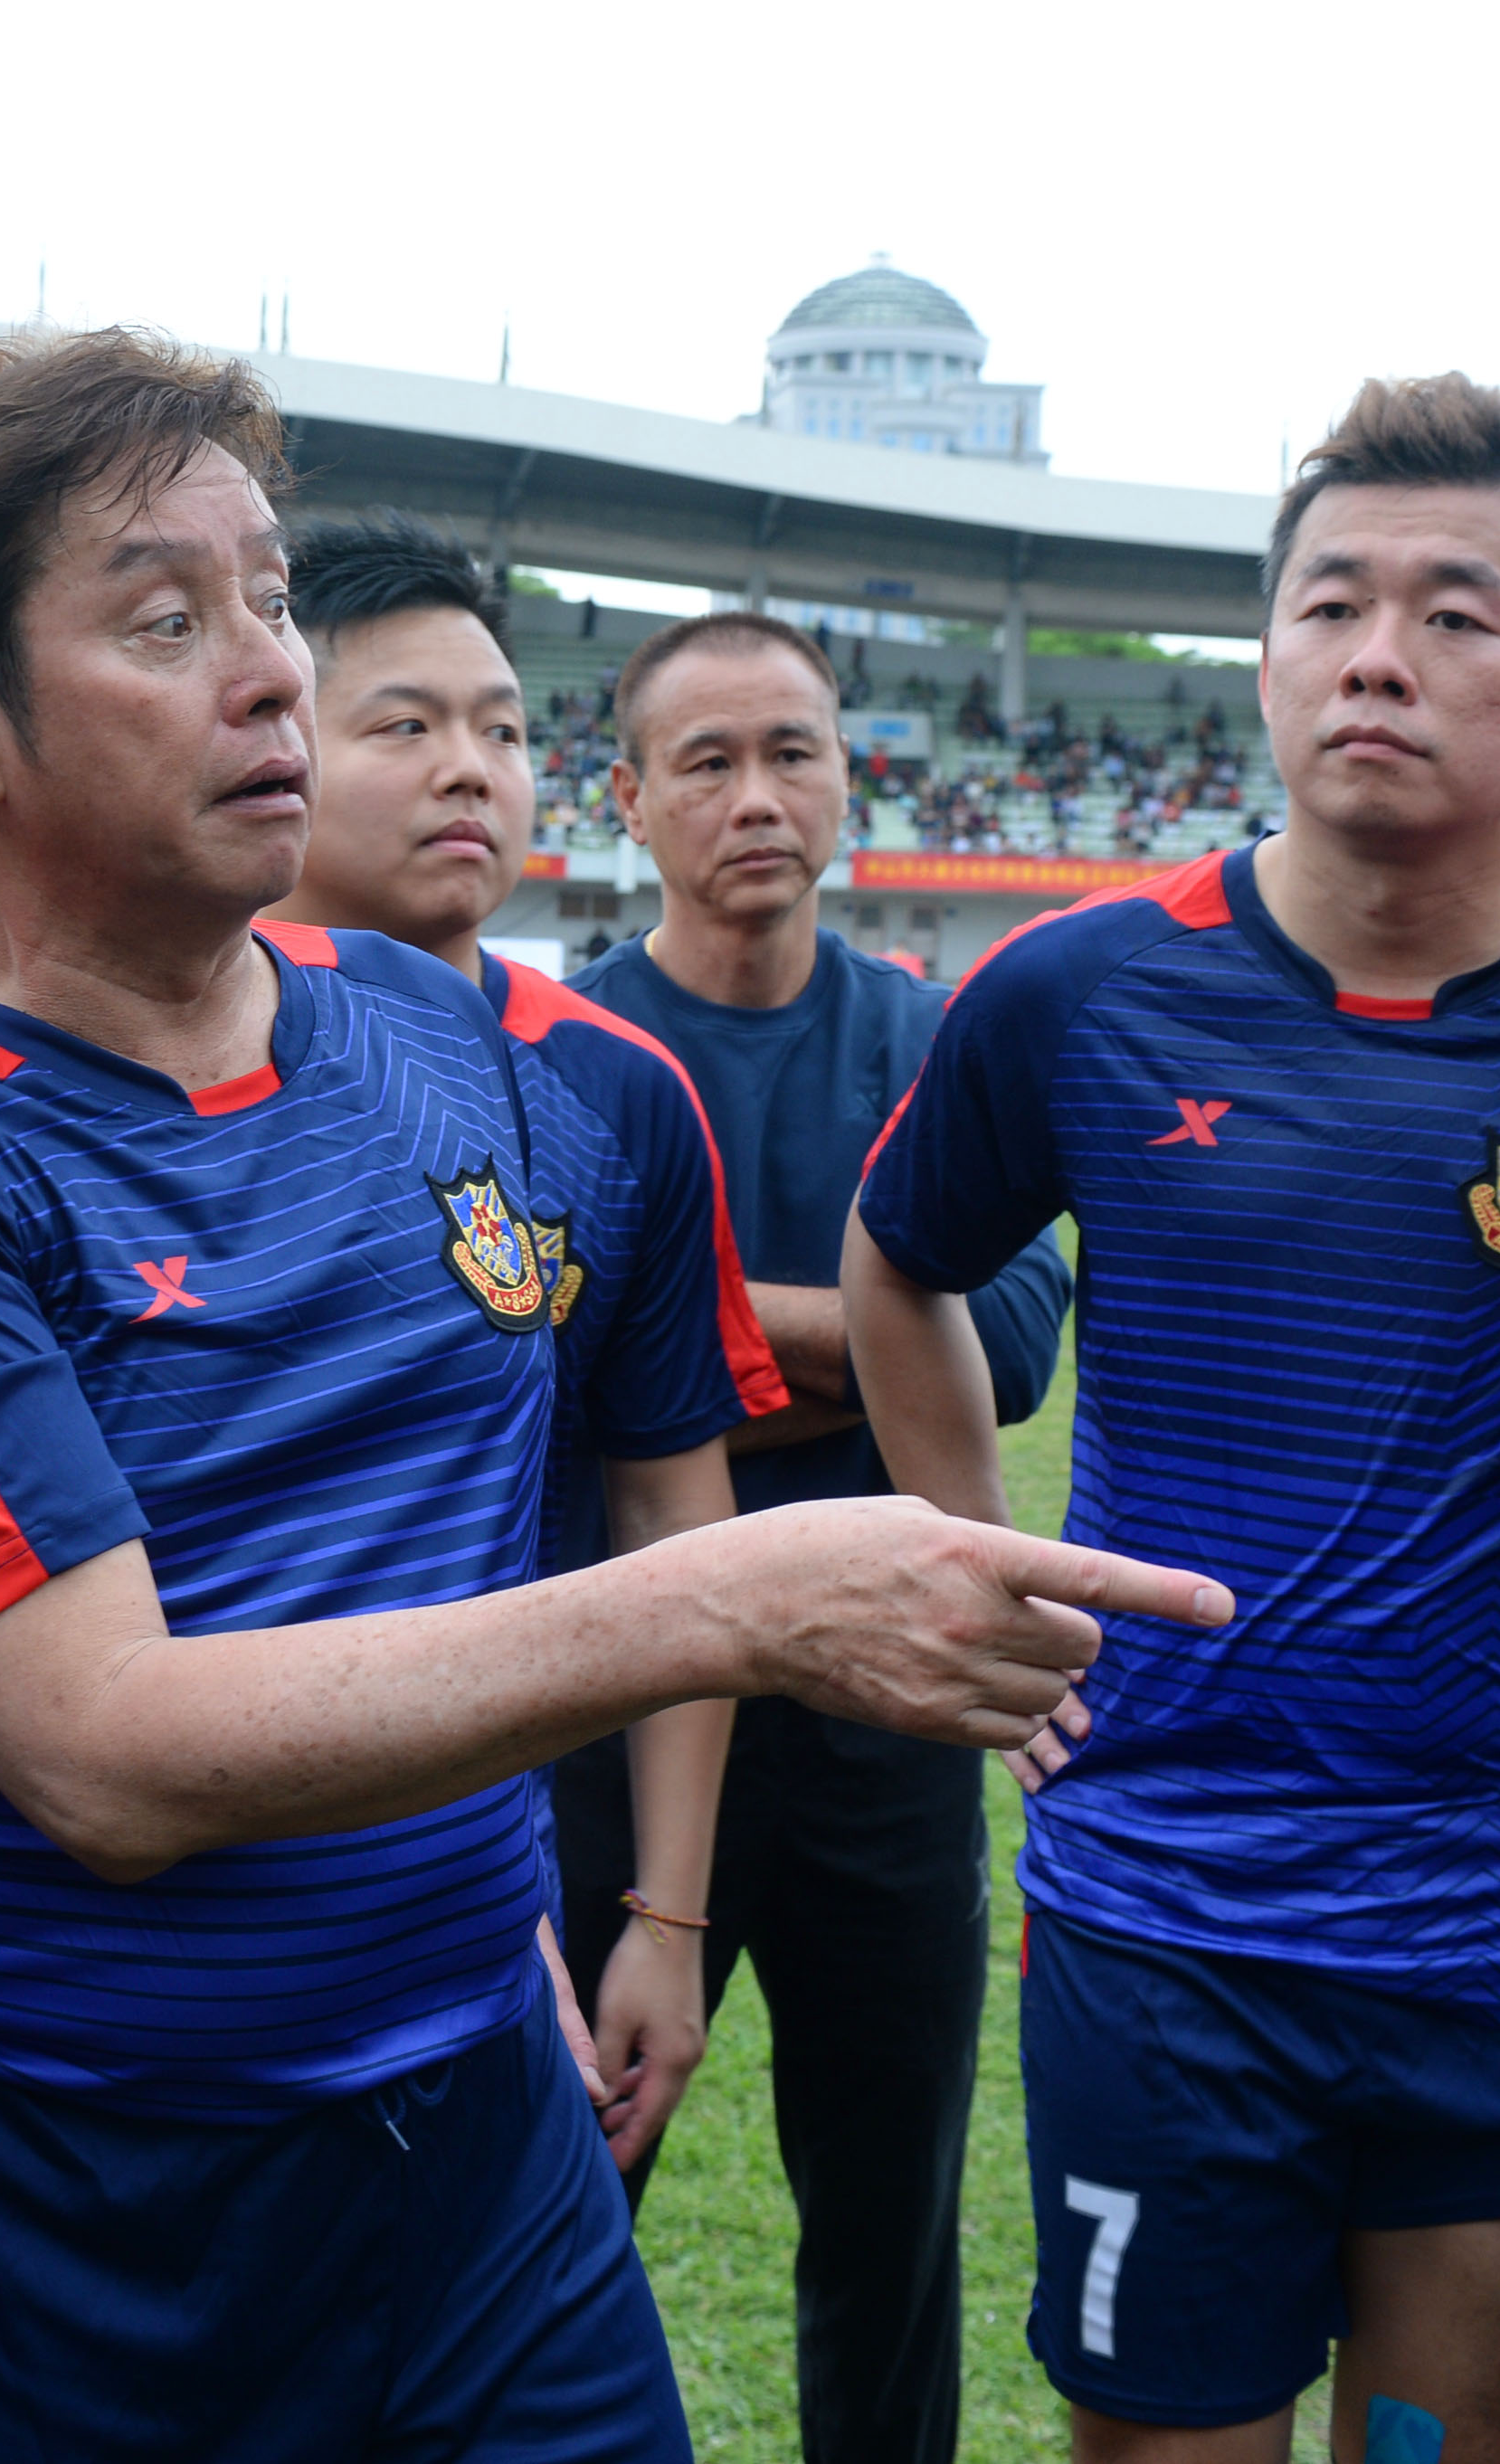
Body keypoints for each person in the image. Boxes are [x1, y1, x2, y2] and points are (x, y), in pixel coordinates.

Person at [0, 326, 1227, 2464]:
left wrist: (636, 1906)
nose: (267, 672)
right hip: (68, 2183)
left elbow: (624, 1469)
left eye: (266, 597)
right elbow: (106, 1756)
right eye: (161, 618)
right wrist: (740, 1603)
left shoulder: (499, 1071)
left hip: (484, 2132)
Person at [846, 374, 1500, 2464]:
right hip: (1165, 1904)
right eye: (1325, 605)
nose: (1374, 653)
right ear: (1265, 656)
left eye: (1455, 612)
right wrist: (977, 1578)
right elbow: (897, 1258)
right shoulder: (1081, 989)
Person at [565, 610, 1077, 2464]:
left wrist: (687, 1342)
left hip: (891, 1718)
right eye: (705, 760)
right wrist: (871, 1334)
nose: (756, 795)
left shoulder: (933, 1038)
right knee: (558, 2206)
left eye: (793, 750)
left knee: (890, 2226)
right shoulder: (568, 1048)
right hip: (617, 1716)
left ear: (851, 784)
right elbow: (553, 1370)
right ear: (627, 801)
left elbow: (1011, 1348)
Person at [262, 513, 783, 2178]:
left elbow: (671, 1516)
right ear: (277, 737)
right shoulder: (142, 1077)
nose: (468, 766)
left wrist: (666, 1912)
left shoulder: (618, 1089)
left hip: (546, 1850)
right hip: (236, 1863)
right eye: (403, 724)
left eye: (499, 725)